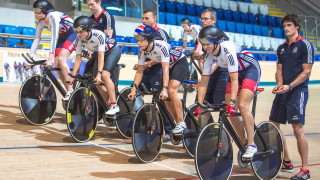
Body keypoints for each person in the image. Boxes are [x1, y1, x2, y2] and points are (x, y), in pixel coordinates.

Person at [195, 26, 261, 159]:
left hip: (249, 70)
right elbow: (204, 82)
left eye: (208, 43)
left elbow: (234, 79)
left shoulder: (227, 49)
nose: (205, 46)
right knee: (228, 112)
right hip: (236, 74)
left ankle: (252, 144)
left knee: (241, 105)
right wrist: (199, 105)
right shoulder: (209, 56)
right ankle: (243, 143)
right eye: (203, 44)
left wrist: (232, 102)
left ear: (216, 42)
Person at [269, 14, 313, 180]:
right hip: (284, 91)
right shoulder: (281, 48)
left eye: (289, 25)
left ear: (297, 27)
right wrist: (280, 85)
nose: (286, 28)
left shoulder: (305, 45)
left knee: (297, 128)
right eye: (284, 26)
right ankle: (286, 161)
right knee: (274, 125)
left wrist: (290, 86)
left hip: (298, 91)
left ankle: (305, 169)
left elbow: (307, 71)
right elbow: (279, 71)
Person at [128, 25, 189, 134]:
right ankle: (176, 123)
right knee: (164, 99)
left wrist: (164, 88)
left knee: (170, 91)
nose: (138, 43)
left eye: (141, 40)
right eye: (137, 40)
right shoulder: (142, 50)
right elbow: (139, 71)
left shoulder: (161, 46)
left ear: (149, 39)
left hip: (179, 63)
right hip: (169, 66)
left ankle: (181, 122)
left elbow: (165, 70)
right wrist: (134, 90)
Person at [68, 16, 121, 115]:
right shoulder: (79, 39)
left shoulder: (98, 35)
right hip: (100, 53)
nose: (79, 34)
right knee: (96, 82)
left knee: (104, 75)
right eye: (77, 31)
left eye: (81, 31)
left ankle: (114, 105)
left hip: (112, 51)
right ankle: (107, 105)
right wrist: (73, 76)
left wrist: (99, 74)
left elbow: (101, 56)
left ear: (88, 29)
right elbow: (78, 58)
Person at [28, 0, 77, 101]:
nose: (36, 14)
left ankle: (71, 90)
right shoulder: (41, 22)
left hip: (73, 34)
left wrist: (50, 57)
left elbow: (54, 37)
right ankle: (68, 90)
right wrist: (30, 58)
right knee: (57, 64)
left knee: (61, 59)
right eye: (34, 12)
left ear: (45, 11)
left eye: (38, 12)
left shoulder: (53, 16)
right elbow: (37, 39)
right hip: (63, 36)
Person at [139, 9, 171, 141]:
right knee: (134, 92)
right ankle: (139, 123)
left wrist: (149, 64)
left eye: (147, 18)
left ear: (154, 19)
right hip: (148, 68)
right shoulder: (142, 32)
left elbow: (165, 56)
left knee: (160, 98)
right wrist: (141, 65)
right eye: (143, 18)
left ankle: (168, 129)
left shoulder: (161, 33)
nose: (144, 21)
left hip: (159, 69)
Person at [197, 9, 229, 106]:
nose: (203, 21)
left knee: (220, 105)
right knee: (200, 102)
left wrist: (204, 78)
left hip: (221, 72)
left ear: (213, 20)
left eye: (206, 19)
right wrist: (199, 58)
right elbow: (204, 58)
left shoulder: (220, 36)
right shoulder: (201, 34)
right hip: (209, 71)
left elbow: (216, 61)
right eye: (201, 19)